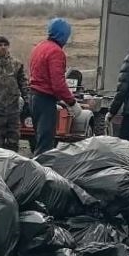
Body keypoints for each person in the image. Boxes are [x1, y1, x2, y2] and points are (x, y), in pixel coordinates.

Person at [28, 18, 81, 156]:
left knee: (39, 139)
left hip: (33, 97)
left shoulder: (39, 47)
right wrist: (72, 102)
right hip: (45, 100)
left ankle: (36, 170)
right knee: (45, 144)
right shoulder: (56, 52)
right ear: (63, 35)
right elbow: (58, 83)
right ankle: (41, 175)